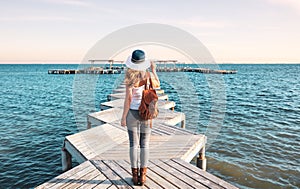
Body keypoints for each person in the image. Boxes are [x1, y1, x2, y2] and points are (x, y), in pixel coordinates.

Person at [121, 49, 160, 186]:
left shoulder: (129, 77)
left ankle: (135, 176)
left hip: (132, 113)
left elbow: (128, 98)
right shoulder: (148, 75)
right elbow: (158, 85)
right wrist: (154, 70)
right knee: (145, 145)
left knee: (134, 144)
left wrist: (123, 117)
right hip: (146, 113)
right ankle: (143, 176)